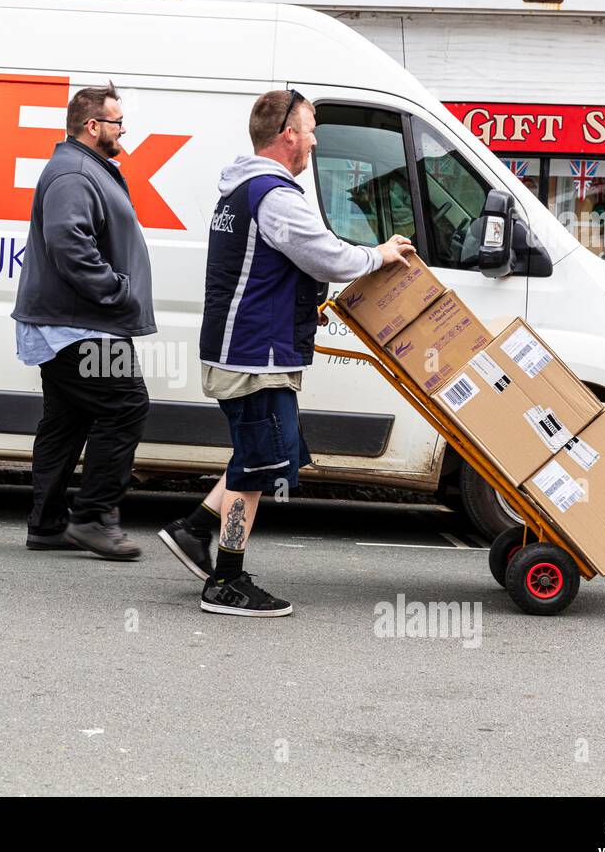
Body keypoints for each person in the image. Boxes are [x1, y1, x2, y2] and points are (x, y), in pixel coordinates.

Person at [158, 89, 415, 616]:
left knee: (268, 451)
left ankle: (194, 530)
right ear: (288, 135)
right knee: (260, 469)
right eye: (311, 130)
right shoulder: (272, 194)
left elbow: (277, 269)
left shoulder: (243, 190)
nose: (316, 141)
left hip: (249, 350)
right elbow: (325, 256)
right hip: (256, 358)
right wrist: (380, 254)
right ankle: (226, 581)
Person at [11, 83, 155, 561]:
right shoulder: (75, 172)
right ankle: (93, 517)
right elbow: (68, 242)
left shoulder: (83, 167)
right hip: (82, 325)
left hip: (71, 324)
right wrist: (115, 289)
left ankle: (48, 524)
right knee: (126, 405)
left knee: (66, 421)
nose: (123, 131)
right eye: (117, 122)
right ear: (93, 126)